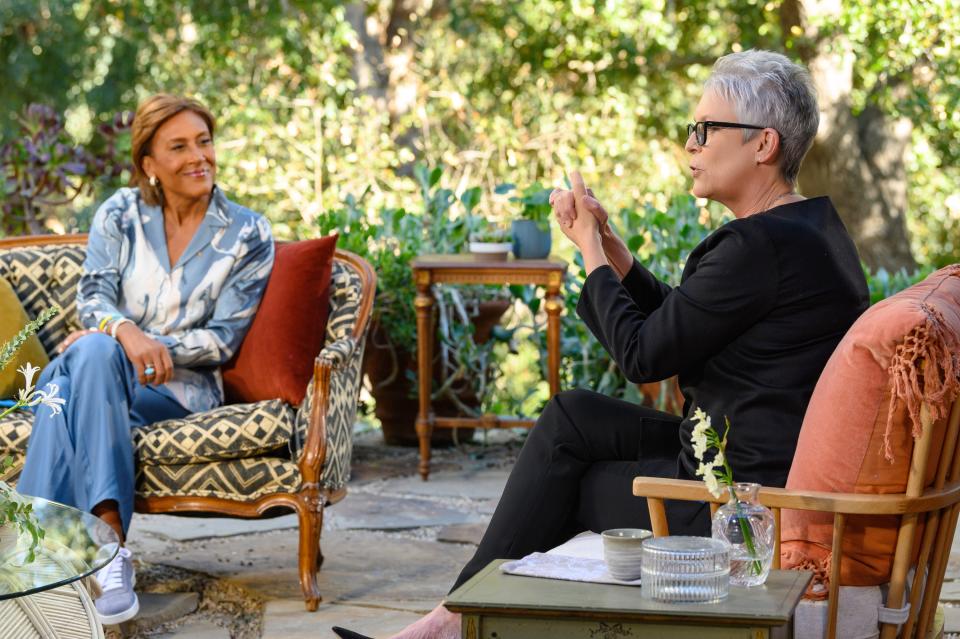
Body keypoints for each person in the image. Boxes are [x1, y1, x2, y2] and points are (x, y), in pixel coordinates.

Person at [333, 49, 869, 639]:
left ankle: (448, 625)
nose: (690, 145)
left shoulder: (755, 248)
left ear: (763, 144)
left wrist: (588, 251)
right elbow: (683, 322)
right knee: (572, 417)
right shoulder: (808, 229)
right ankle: (452, 619)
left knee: (567, 485)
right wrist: (613, 250)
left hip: (733, 502)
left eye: (704, 130)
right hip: (732, 456)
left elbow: (644, 355)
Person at [17, 94, 275, 625]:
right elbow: (93, 297)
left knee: (74, 371)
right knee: (91, 356)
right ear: (149, 165)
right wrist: (123, 334)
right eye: (178, 146)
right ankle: (109, 550)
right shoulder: (120, 213)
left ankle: (38, 559)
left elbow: (223, 339)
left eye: (203, 141)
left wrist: (142, 346)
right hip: (102, 375)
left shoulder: (248, 232)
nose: (197, 156)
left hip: (180, 390)